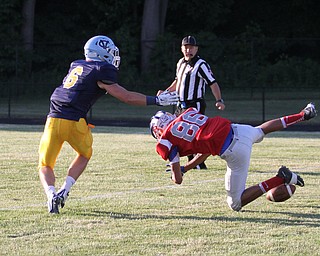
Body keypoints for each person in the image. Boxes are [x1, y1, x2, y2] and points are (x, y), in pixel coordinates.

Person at [38, 35, 179, 214]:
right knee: (84, 154)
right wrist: (156, 100)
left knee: (45, 164)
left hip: (52, 119)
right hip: (74, 122)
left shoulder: (77, 65)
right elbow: (125, 96)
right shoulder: (101, 69)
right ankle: (64, 191)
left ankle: (51, 194)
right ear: (102, 53)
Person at [149, 102, 317, 211]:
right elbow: (206, 149)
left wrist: (175, 173)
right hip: (238, 129)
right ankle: (302, 115)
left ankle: (280, 179)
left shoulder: (166, 140)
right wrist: (187, 167)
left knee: (235, 203)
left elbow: (177, 180)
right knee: (261, 130)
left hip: (234, 151)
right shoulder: (187, 115)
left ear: (157, 131)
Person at [158, 35, 225, 169]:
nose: (189, 50)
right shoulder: (180, 63)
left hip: (194, 104)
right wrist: (165, 92)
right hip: (180, 104)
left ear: (196, 49)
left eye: (191, 47)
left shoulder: (201, 65)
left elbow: (212, 83)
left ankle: (198, 163)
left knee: (194, 134)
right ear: (182, 49)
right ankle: (183, 162)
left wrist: (219, 100)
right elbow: (178, 81)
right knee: (177, 132)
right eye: (186, 47)